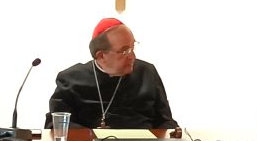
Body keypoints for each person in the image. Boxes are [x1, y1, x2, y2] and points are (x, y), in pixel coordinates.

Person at [46, 18, 178, 129]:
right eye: (125, 51)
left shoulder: (147, 72)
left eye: (132, 47)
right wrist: (92, 136)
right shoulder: (71, 79)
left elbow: (165, 121)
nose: (132, 56)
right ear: (101, 55)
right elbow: (56, 124)